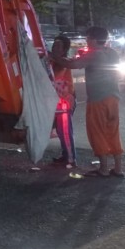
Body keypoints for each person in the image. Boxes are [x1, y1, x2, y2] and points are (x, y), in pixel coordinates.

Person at [53, 26, 123, 177]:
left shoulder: (95, 54)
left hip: (98, 99)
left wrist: (55, 57)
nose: (86, 41)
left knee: (97, 132)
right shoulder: (112, 53)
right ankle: (118, 168)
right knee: (113, 131)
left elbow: (73, 65)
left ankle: (103, 169)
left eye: (87, 38)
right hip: (114, 97)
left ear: (93, 39)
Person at [49, 35, 77, 168]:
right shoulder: (54, 62)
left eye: (58, 46)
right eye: (54, 45)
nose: (54, 48)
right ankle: (66, 155)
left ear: (64, 49)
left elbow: (56, 74)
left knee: (65, 131)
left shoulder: (64, 62)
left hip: (64, 103)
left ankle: (70, 159)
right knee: (61, 131)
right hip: (58, 102)